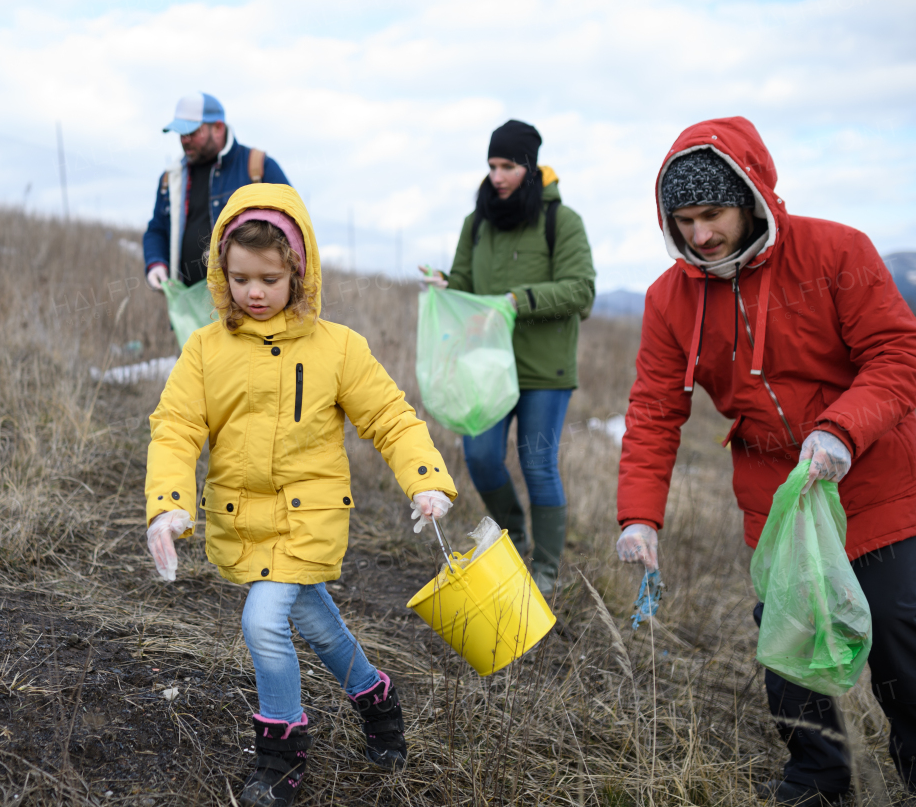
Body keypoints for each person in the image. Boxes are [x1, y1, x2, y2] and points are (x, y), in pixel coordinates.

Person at [616, 116, 916, 806]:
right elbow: (656, 409)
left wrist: (841, 431)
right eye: (683, 220)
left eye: (712, 214)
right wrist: (640, 515)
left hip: (877, 480)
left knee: (902, 631)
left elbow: (899, 355)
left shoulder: (837, 251)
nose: (699, 235)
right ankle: (818, 777)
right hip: (777, 496)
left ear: (749, 196)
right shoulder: (671, 297)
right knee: (789, 647)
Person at [144, 183, 457, 807]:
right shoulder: (206, 350)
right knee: (314, 620)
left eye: (268, 278)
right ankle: (376, 699)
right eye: (239, 278)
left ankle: (281, 753)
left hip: (309, 517)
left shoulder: (337, 348)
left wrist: (426, 480)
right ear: (220, 273)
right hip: (243, 518)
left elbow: (391, 419)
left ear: (300, 273)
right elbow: (176, 427)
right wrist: (168, 504)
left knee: (263, 622)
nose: (253, 292)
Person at [421, 119, 595, 595]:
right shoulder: (475, 223)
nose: (497, 176)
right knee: (479, 456)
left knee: (538, 464)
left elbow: (582, 291)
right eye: (492, 165)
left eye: (509, 166)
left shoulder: (563, 221)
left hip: (544, 368)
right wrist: (445, 285)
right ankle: (513, 537)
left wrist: (518, 300)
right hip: (486, 366)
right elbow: (465, 285)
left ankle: (547, 570)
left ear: (530, 166)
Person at [142, 92, 289, 290]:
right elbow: (157, 229)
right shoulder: (171, 177)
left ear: (218, 128)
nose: (184, 140)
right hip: (187, 310)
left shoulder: (258, 167)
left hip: (245, 308)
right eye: (181, 134)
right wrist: (156, 263)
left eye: (192, 132)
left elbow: (292, 227)